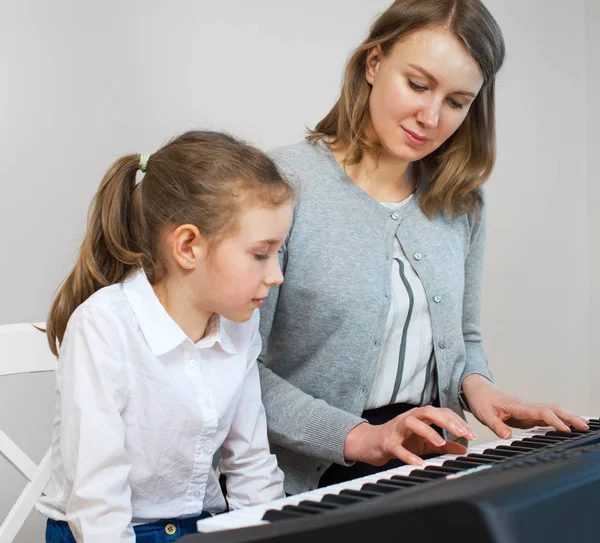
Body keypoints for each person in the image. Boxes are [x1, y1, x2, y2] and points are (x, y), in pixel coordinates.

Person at [257, 0, 589, 495]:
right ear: (373, 64)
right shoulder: (280, 185)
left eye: (456, 102)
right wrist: (360, 437)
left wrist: (483, 390)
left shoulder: (462, 203)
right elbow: (236, 371)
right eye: (417, 84)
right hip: (302, 482)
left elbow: (464, 342)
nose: (430, 117)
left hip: (424, 471)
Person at [37, 131, 292, 542]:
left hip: (199, 525)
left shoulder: (240, 324)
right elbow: (97, 502)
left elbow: (251, 466)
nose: (276, 274)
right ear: (188, 246)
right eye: (261, 253)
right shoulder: (103, 326)